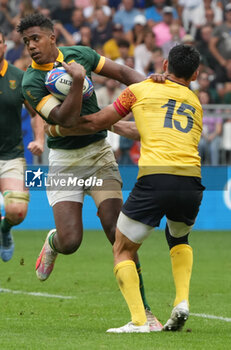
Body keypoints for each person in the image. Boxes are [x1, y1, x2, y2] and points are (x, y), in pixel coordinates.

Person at [16, 13, 162, 331]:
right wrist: (79, 82)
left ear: (53, 37)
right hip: (66, 163)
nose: (31, 46)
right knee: (71, 241)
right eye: (26, 41)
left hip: (98, 155)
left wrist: (152, 88)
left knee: (117, 232)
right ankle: (53, 243)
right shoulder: (31, 81)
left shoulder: (79, 54)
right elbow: (65, 120)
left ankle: (145, 313)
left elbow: (122, 72)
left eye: (36, 38)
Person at [50, 44, 205, 333]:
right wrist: (119, 128)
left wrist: (59, 128)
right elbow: (149, 129)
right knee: (179, 240)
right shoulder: (194, 101)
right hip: (191, 181)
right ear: (195, 74)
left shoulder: (142, 90)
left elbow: (97, 120)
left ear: (164, 63)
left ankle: (138, 321)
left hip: (156, 178)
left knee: (122, 248)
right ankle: (182, 301)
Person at [0, 29, 44, 262]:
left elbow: (36, 113)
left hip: (10, 155)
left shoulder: (19, 76)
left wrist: (39, 139)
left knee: (17, 211)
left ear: (4, 46)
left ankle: (5, 229)